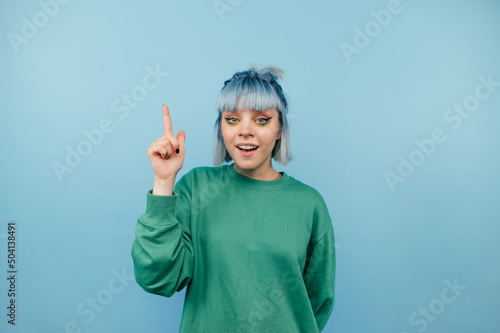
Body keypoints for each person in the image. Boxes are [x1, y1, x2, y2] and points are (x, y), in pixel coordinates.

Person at [131, 65, 336, 332]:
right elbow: (157, 277)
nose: (245, 131)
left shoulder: (309, 204)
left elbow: (317, 302)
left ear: (279, 129)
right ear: (222, 129)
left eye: (261, 120)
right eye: (232, 119)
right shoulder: (196, 188)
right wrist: (163, 181)